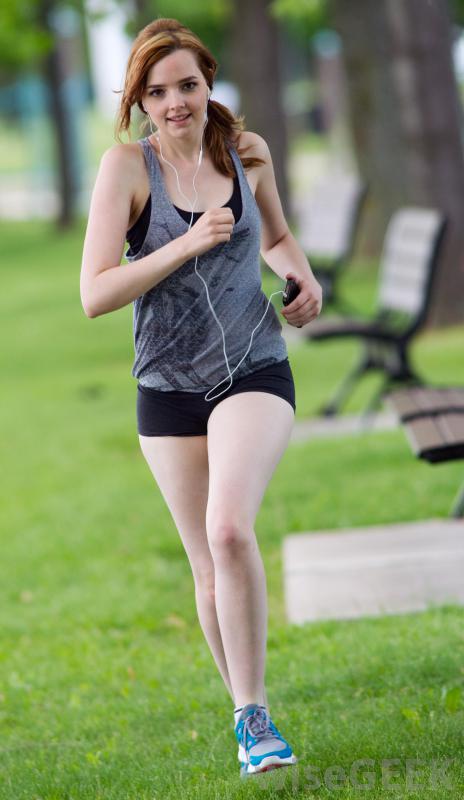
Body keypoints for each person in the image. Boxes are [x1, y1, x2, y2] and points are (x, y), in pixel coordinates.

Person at [80, 17, 322, 778]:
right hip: (167, 385)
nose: (175, 102)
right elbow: (94, 295)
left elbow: (276, 236)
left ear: (208, 81)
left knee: (228, 530)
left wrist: (301, 277)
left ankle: (255, 714)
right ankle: (249, 721)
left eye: (186, 84)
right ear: (139, 102)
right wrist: (183, 242)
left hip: (253, 364)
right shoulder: (127, 170)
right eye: (157, 92)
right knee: (206, 564)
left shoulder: (247, 152)